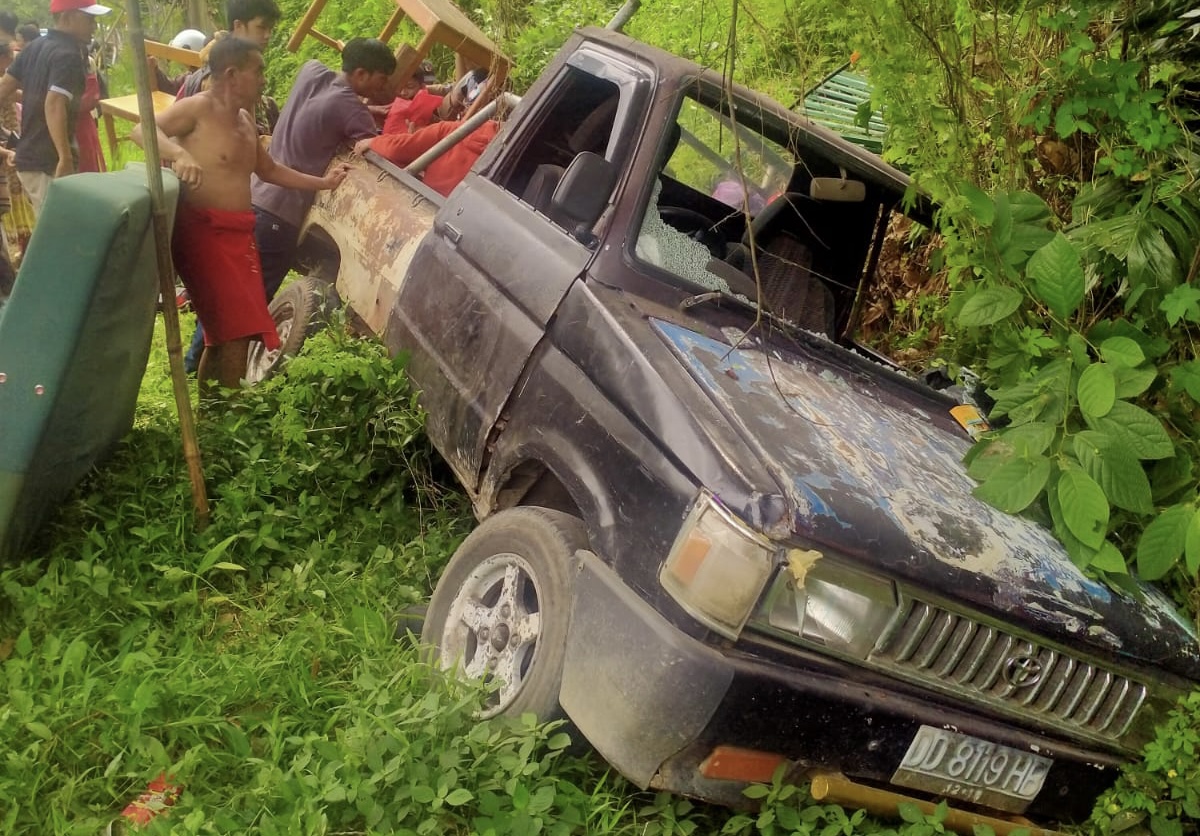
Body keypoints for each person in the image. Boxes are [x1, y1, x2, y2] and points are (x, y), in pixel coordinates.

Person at [132, 37, 349, 396]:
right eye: (258, 71)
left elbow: (270, 170)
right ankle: (225, 409)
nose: (265, 78)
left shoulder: (246, 120)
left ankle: (218, 410)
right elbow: (142, 130)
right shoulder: (197, 108)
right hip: (203, 233)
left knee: (234, 332)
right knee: (233, 331)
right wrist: (177, 154)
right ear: (232, 75)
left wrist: (323, 182)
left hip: (240, 235)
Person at [182, 37, 394, 373]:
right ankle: (209, 372)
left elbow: (325, 110)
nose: (386, 87)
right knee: (248, 306)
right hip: (282, 213)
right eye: (382, 80)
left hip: (256, 199)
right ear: (362, 75)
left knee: (229, 299)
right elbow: (380, 148)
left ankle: (194, 362)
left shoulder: (312, 71)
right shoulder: (350, 107)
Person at [0, 0, 109, 216]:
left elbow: (4, 88)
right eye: (89, 19)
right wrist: (65, 158)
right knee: (61, 235)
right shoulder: (68, 55)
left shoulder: (34, 47)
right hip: (48, 163)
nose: (94, 26)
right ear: (67, 17)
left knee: (54, 231)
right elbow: (55, 103)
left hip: (29, 160)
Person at [176, 0, 281, 135]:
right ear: (238, 26)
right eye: (261, 28)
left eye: (270, 29)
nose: (268, 35)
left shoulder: (243, 63)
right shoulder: (218, 78)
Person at [355, 115, 498, 198]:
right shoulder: (510, 159)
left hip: (425, 203)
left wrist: (374, 142)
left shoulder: (452, 130)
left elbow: (399, 149)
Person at [379, 59, 441, 134]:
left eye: (410, 87)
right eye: (400, 87)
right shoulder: (384, 102)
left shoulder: (433, 106)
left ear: (422, 87)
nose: (403, 92)